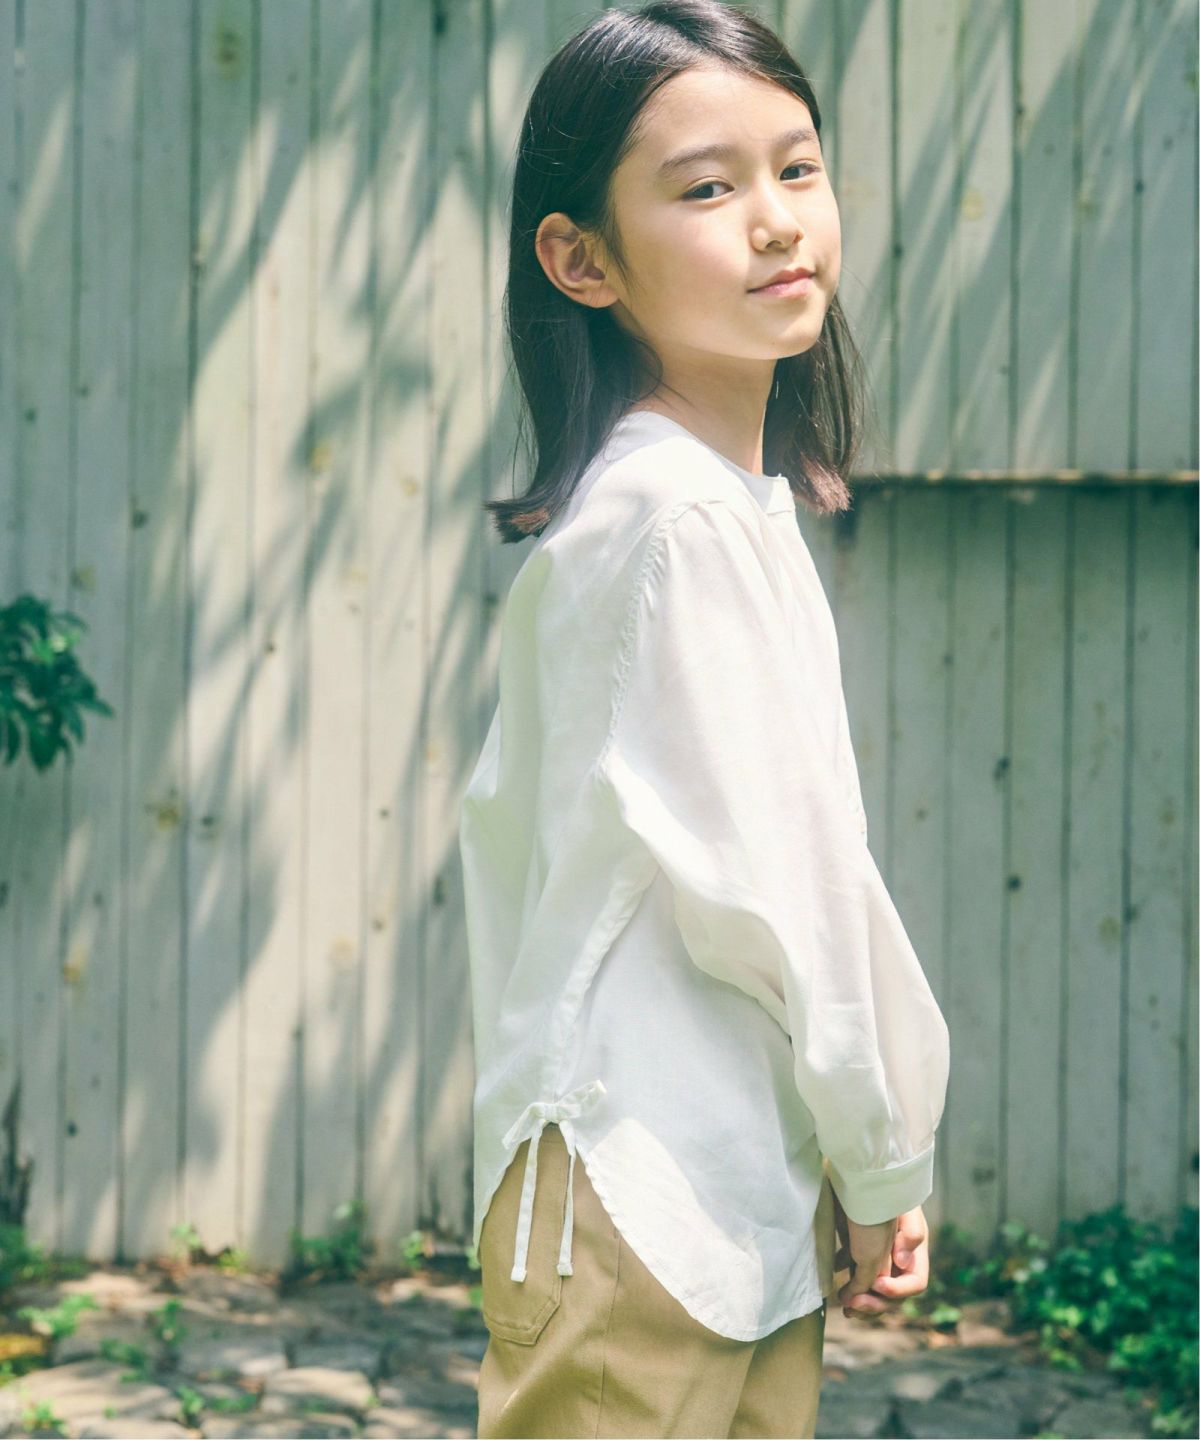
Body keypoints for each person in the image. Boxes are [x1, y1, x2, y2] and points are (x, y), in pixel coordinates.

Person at [457, 2, 951, 1435]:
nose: (777, 221)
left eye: (797, 168)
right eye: (706, 188)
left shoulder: (700, 504)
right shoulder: (674, 520)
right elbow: (792, 893)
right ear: (581, 260)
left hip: (720, 1197)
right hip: (647, 1205)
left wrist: (842, 1156)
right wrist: (883, 1153)